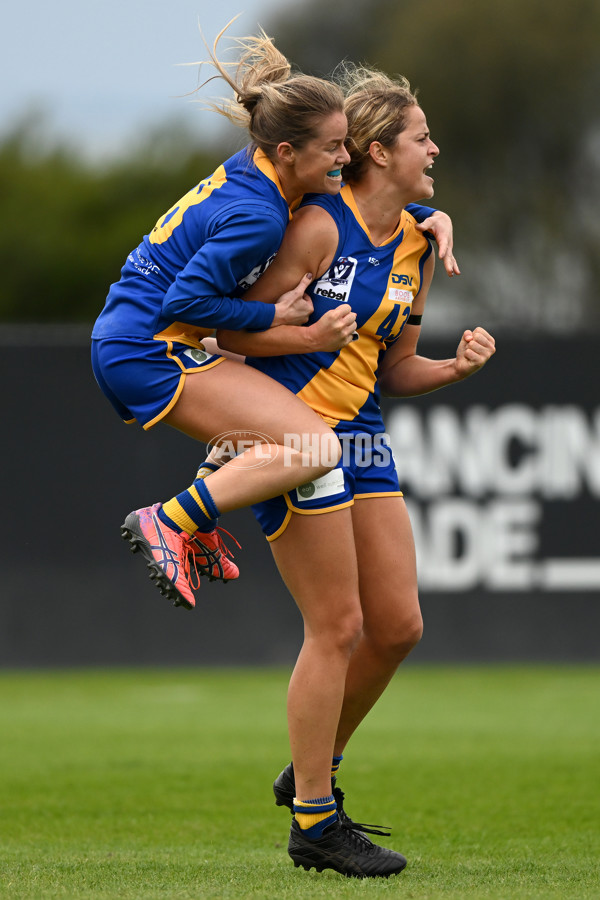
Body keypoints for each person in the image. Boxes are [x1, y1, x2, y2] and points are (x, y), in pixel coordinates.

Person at [213, 65, 496, 878]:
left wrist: (452, 370)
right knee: (335, 628)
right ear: (379, 150)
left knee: (399, 625)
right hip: (296, 438)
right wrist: (253, 405)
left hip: (362, 435)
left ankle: (310, 767)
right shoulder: (317, 228)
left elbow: (394, 367)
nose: (434, 147)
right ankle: (313, 815)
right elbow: (238, 336)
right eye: (421, 137)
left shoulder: (417, 241)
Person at [91, 22, 456, 611]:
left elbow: (355, 199)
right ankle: (171, 519)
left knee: (271, 437)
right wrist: (289, 324)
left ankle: (199, 524)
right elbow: (182, 304)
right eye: (335, 148)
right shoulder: (263, 216)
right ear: (288, 151)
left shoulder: (264, 170)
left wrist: (418, 209)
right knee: (313, 446)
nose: (347, 156)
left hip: (135, 340)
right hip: (147, 347)